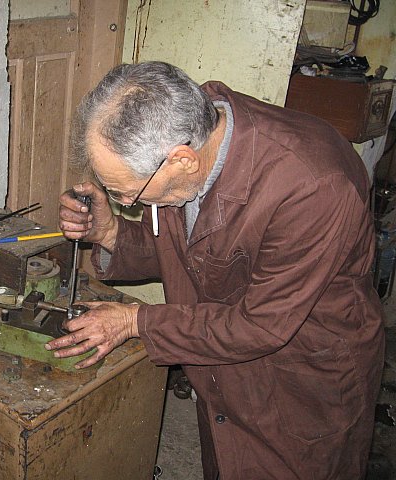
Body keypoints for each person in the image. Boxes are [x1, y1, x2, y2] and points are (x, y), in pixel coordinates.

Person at [45, 61, 385, 479]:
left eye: (127, 194)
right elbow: (191, 249)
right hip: (220, 368)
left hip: (300, 383)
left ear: (182, 160)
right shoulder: (190, 129)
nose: (127, 203)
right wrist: (110, 232)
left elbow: (259, 326)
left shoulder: (313, 186)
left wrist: (136, 321)